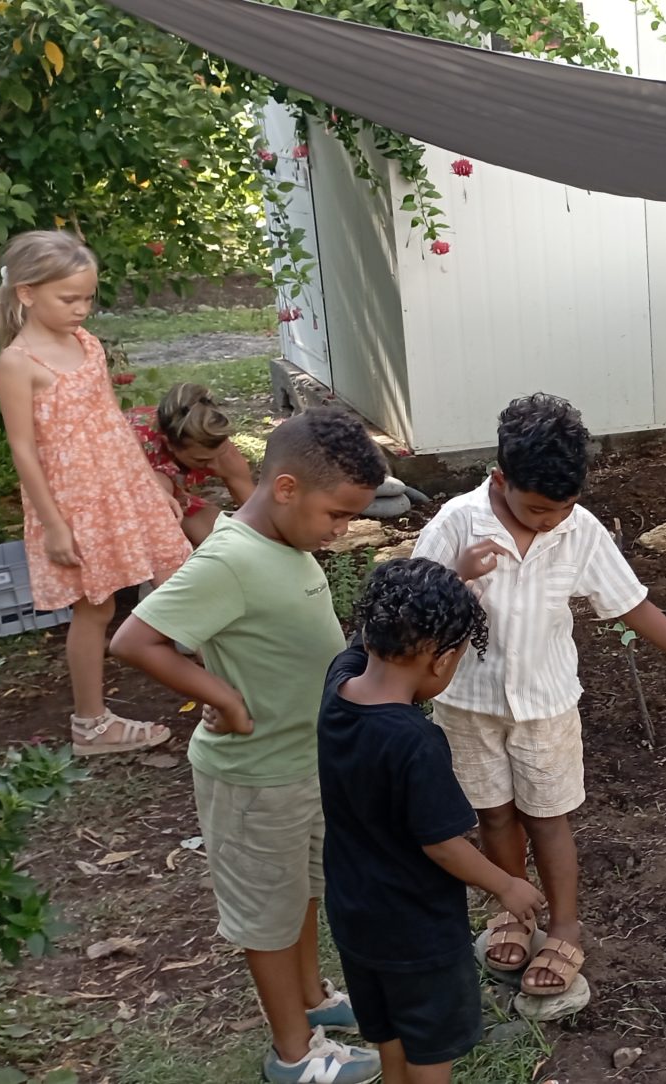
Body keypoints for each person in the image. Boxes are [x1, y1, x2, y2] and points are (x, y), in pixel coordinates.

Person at [413, 393, 666, 998]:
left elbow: (629, 601)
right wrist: (456, 574)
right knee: (493, 812)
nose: (549, 522)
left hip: (547, 703)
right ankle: (511, 907)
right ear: (500, 478)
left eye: (562, 509)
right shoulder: (458, 523)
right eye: (537, 508)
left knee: (549, 815)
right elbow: (414, 600)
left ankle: (564, 924)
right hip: (467, 702)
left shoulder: (578, 531)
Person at [110, 406, 389, 1084]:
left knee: (301, 893)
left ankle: (313, 999)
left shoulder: (285, 542)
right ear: (288, 489)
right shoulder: (230, 560)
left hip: (303, 764)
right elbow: (135, 641)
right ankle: (294, 1055)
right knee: (267, 914)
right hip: (255, 777)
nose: (341, 530)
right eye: (337, 516)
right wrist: (223, 697)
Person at [319, 558, 545, 1083]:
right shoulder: (415, 743)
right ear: (442, 661)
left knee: (391, 1033)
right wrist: (507, 885)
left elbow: (365, 638)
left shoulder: (339, 685)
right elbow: (443, 843)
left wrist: (446, 579)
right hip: (416, 932)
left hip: (354, 916)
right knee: (429, 1053)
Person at [0, 230, 191, 756]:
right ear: (27, 293)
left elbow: (110, 418)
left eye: (87, 297)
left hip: (120, 486)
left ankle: (214, 679)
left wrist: (149, 481)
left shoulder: (87, 345)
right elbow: (23, 450)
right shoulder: (19, 363)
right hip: (74, 505)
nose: (82, 309)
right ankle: (91, 724)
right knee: (95, 607)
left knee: (178, 566)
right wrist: (54, 524)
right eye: (69, 299)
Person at [129, 382, 256, 545]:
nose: (215, 465)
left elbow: (256, 511)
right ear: (169, 445)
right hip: (126, 499)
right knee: (160, 487)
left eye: (220, 454)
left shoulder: (223, 453)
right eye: (202, 460)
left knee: (227, 540)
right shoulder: (133, 442)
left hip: (177, 497)